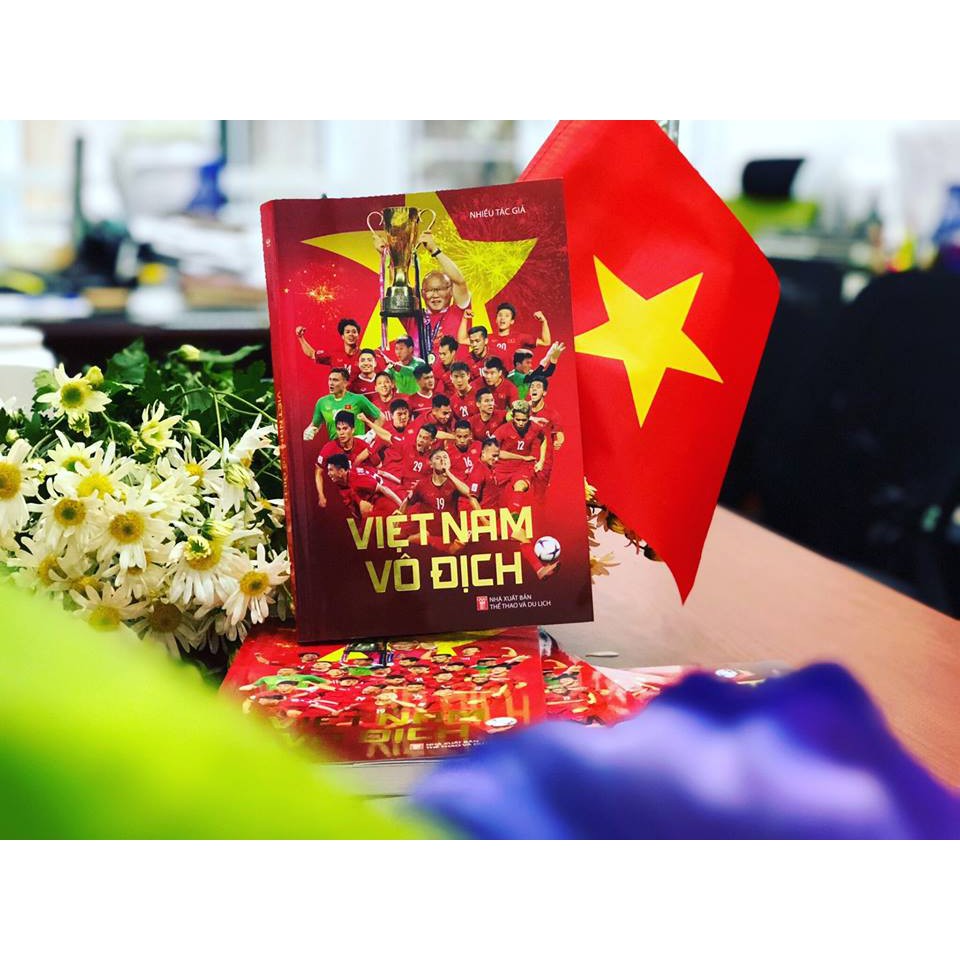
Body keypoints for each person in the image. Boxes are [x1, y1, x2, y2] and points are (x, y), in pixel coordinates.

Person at [304, 368, 383, 441]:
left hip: (357, 446)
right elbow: (315, 425)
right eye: (330, 379)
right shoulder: (322, 402)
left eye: (335, 380)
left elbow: (380, 417)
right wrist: (309, 431)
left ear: (346, 383)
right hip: (336, 447)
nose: (331, 383)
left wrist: (371, 435)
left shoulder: (358, 399)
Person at [318, 452, 404, 515]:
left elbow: (383, 488)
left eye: (331, 470)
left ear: (341, 471)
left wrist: (402, 507)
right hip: (388, 491)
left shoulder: (359, 481)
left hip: (389, 496)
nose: (328, 473)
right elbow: (382, 473)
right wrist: (399, 482)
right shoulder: (350, 476)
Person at [296, 317, 372, 382]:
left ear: (358, 336)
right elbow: (311, 354)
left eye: (354, 332)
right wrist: (300, 337)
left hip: (358, 394)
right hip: (338, 394)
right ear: (343, 336)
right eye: (347, 332)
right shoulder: (334, 354)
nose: (351, 334)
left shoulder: (365, 357)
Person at [493, 400, 546, 488]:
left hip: (523, 467)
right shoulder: (503, 430)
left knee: (520, 487)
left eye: (524, 420)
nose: (521, 423)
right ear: (513, 417)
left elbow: (543, 439)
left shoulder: (535, 428)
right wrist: (522, 457)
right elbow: (494, 451)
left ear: (529, 417)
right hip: (503, 467)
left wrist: (541, 461)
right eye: (518, 420)